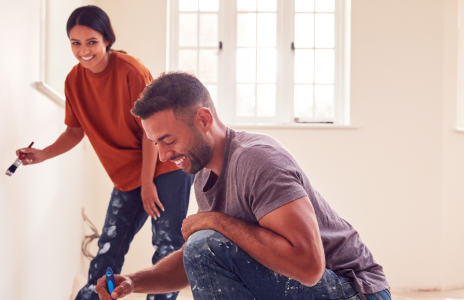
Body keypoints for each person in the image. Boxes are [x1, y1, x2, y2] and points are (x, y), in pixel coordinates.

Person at [94, 72, 390, 300]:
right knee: (202, 246)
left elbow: (310, 267)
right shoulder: (204, 177)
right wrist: (135, 282)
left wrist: (215, 221)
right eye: (155, 143)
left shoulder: (258, 160)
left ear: (203, 119)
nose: (163, 155)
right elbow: (195, 261)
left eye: (169, 140)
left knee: (204, 243)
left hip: (355, 291)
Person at [14, 6, 193, 300]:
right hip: (127, 175)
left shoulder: (131, 71)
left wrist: (148, 183)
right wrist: (43, 154)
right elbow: (75, 130)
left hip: (166, 166)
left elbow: (153, 134)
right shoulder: (73, 81)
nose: (84, 50)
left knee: (166, 247)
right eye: (75, 43)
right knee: (108, 249)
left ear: (106, 40)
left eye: (91, 42)